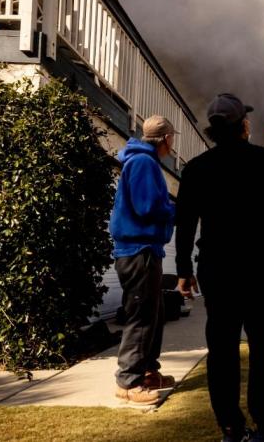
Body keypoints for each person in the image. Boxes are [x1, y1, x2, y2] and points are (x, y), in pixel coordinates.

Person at [176, 93, 264, 442]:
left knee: (222, 353)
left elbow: (185, 224)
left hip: (217, 273)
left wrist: (183, 270)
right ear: (244, 126)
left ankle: (232, 428)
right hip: (261, 274)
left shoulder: (197, 168)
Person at [109, 115, 178, 405]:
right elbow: (147, 206)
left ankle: (148, 370)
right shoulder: (143, 163)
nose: (173, 145)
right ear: (165, 139)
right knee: (140, 317)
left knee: (153, 315)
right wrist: (177, 210)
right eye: (172, 139)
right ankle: (129, 382)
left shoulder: (145, 162)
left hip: (146, 250)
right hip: (138, 251)